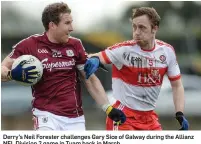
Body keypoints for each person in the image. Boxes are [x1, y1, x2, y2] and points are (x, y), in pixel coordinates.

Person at [1, 2, 126, 130]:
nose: (72, 28)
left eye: (71, 22)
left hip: (75, 118)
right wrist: (11, 74)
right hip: (46, 116)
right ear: (52, 25)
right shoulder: (29, 45)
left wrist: (108, 108)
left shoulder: (75, 45)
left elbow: (90, 79)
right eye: (67, 23)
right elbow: (2, 69)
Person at [84, 7, 189, 130]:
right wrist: (94, 59)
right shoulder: (124, 50)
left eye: (142, 27)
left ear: (154, 28)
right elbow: (97, 56)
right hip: (123, 117)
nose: (137, 32)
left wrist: (180, 113)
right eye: (134, 27)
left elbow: (177, 85)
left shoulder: (167, 51)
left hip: (150, 118)